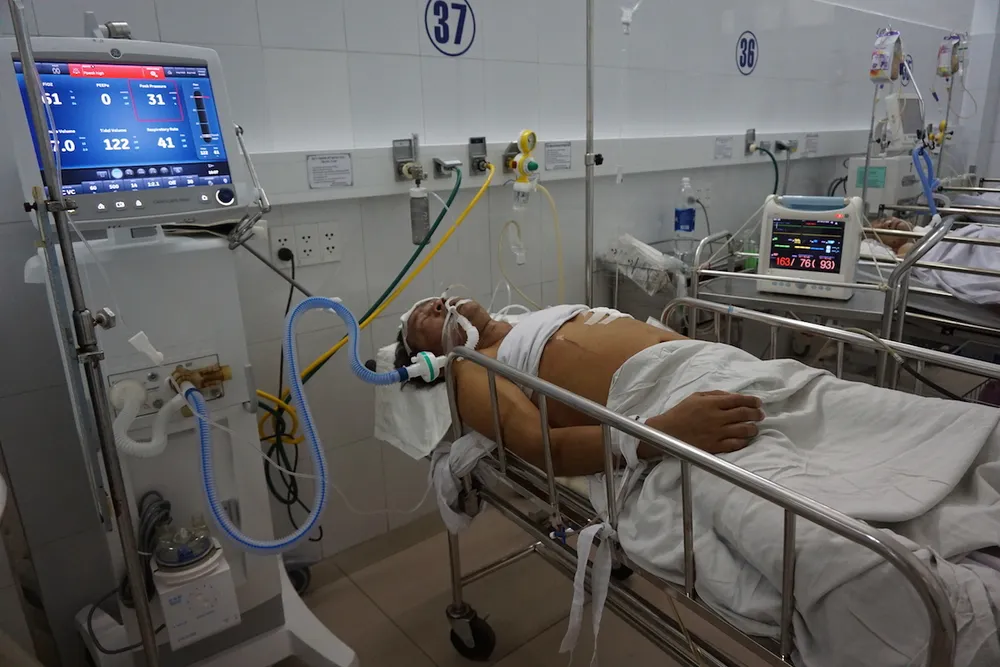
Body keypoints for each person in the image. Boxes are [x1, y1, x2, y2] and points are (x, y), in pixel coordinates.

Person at [393, 297, 764, 476]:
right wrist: (666, 433)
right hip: (675, 408)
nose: (436, 305)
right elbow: (542, 448)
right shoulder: (470, 368)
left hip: (722, 364)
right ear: (430, 361)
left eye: (435, 300)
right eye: (422, 320)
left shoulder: (530, 321)